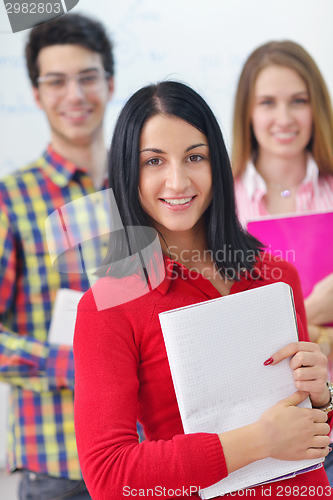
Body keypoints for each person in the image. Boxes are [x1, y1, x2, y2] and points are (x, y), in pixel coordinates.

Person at [73, 81, 333, 500]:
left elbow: (311, 433)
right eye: (154, 161)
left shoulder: (277, 275)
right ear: (127, 173)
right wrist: (258, 441)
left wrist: (321, 397)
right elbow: (108, 477)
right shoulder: (108, 308)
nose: (178, 180)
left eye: (195, 157)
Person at [0, 13, 114, 500]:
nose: (75, 95)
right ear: (37, 94)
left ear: (109, 84)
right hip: (58, 465)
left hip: (152, 450)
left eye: (87, 77)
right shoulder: (10, 200)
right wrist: (69, 364)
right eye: (56, 81)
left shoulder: (149, 190)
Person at [231, 40, 333, 483]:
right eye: (268, 102)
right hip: (263, 429)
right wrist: (310, 315)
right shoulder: (218, 205)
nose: (285, 118)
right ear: (247, 114)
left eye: (298, 101)